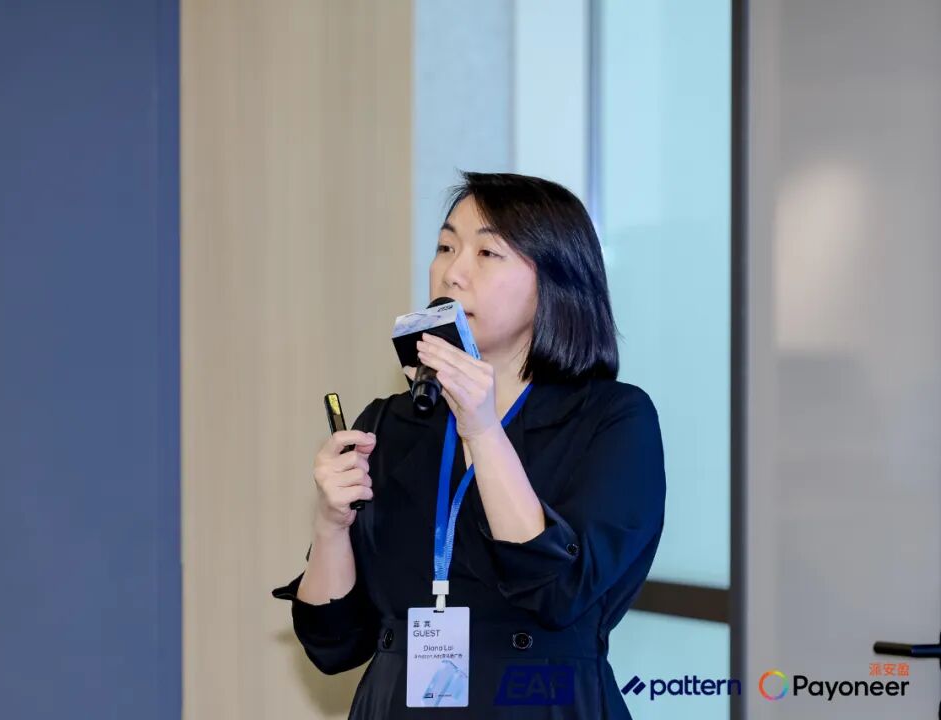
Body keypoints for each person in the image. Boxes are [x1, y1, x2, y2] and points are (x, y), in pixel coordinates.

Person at [273, 171, 666, 718]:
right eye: (445, 247)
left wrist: (482, 429)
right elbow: (333, 643)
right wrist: (330, 525)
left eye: (487, 252)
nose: (452, 272)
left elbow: (557, 592)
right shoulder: (392, 422)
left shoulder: (613, 418)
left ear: (556, 280)